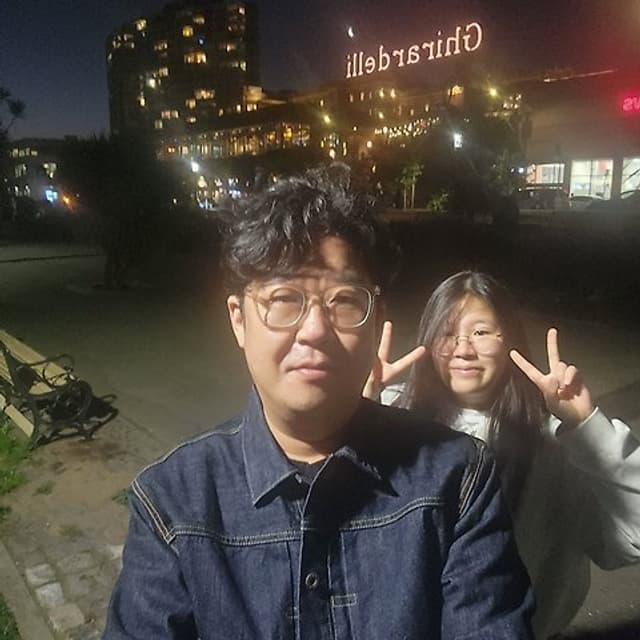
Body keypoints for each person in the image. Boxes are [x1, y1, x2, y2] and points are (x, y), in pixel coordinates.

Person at [103, 167, 534, 639]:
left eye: (344, 301)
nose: (314, 330)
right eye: (284, 299)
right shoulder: (173, 502)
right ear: (239, 320)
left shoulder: (458, 478)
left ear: (376, 321)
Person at [364, 270, 640, 639]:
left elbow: (630, 538)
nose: (463, 349)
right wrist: (356, 409)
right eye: (447, 332)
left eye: (480, 332)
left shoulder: (555, 443)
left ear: (510, 338)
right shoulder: (389, 414)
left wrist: (588, 426)